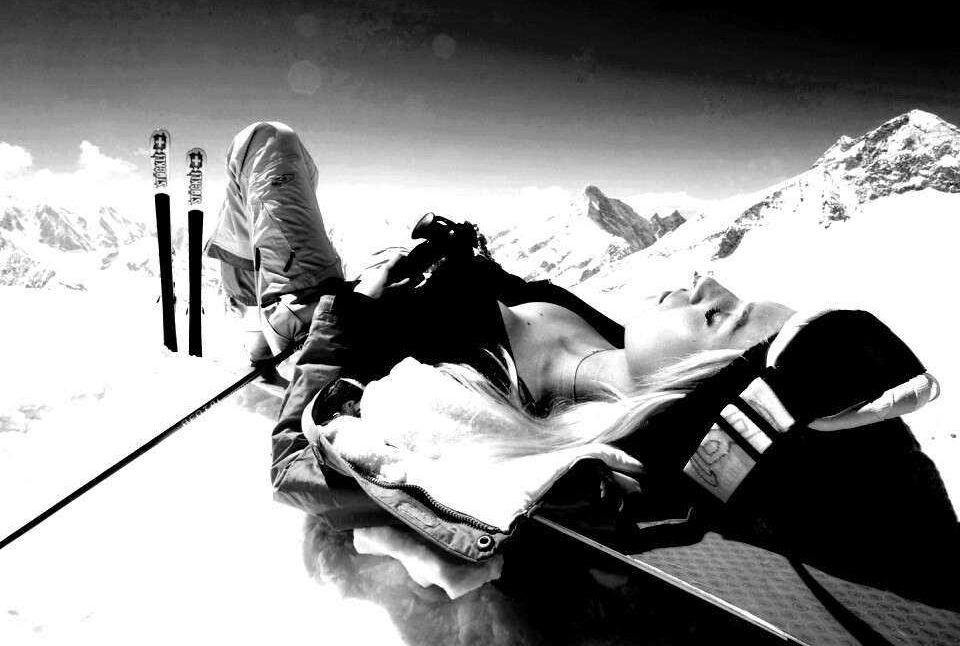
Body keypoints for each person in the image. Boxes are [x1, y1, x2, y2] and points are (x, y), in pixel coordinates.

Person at [207, 122, 959, 607]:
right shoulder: (619, 347)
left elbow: (298, 468)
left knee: (266, 144)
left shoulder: (508, 421)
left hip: (331, 311)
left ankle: (257, 314)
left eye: (718, 316)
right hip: (418, 264)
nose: (709, 282)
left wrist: (342, 317)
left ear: (686, 384)